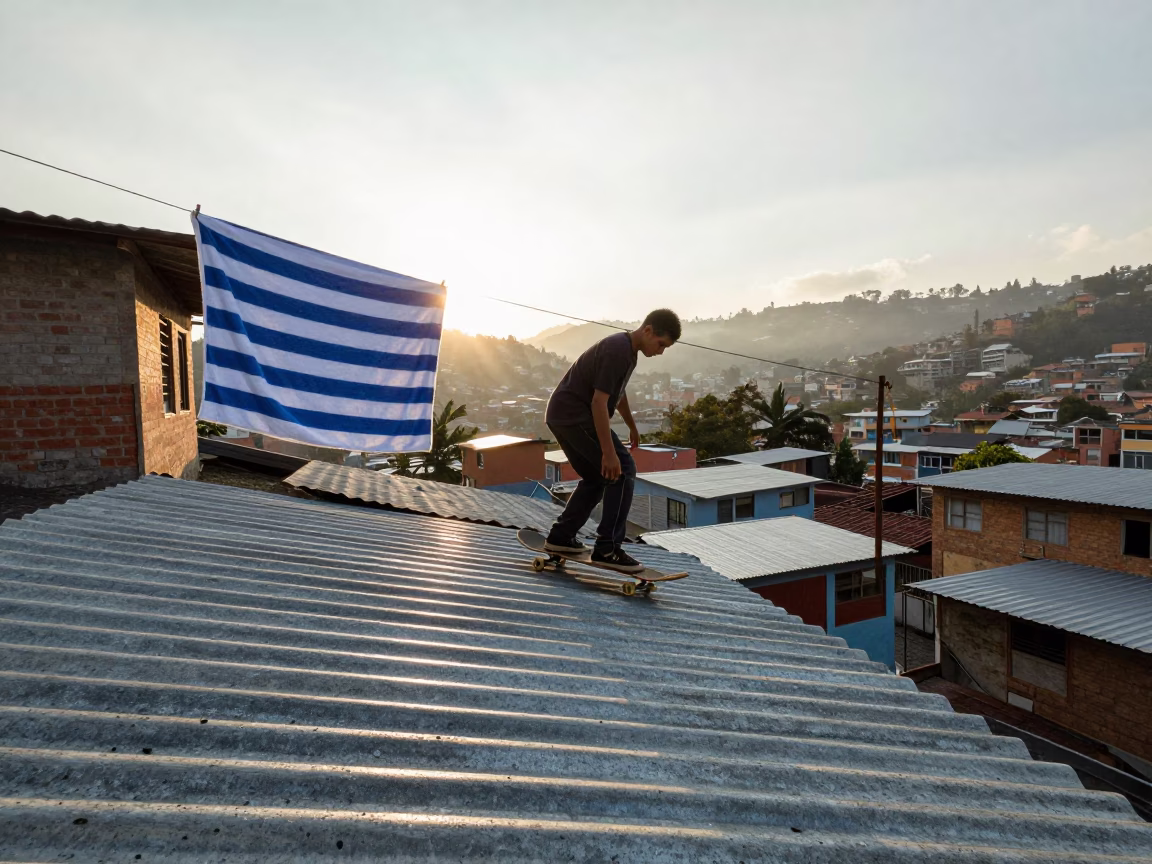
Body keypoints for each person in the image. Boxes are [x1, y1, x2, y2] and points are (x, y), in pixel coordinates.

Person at [543, 309, 681, 572]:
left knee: (597, 479)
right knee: (622, 470)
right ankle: (608, 548)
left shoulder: (627, 352)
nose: (661, 351)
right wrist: (609, 453)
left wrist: (631, 425)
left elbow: (618, 393)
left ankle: (560, 538)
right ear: (648, 330)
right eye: (661, 344)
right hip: (574, 416)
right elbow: (598, 402)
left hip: (562, 416)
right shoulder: (618, 349)